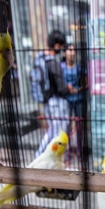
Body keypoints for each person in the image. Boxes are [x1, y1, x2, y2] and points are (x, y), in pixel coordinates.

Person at [35, 30, 71, 158]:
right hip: (56, 103)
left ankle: (42, 156)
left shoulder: (40, 59)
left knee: (52, 131)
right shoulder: (53, 64)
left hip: (47, 102)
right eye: (61, 47)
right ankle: (42, 156)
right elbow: (61, 88)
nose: (61, 50)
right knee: (57, 133)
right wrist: (68, 88)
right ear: (57, 46)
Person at [61, 43, 87, 159]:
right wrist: (66, 88)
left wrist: (78, 90)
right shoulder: (61, 67)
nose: (73, 53)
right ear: (64, 53)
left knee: (79, 126)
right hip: (65, 101)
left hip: (79, 100)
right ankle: (67, 152)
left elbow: (87, 83)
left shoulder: (80, 68)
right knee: (66, 126)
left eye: (74, 50)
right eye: (70, 50)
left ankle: (80, 151)